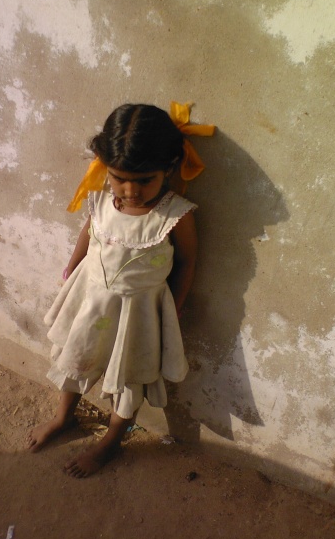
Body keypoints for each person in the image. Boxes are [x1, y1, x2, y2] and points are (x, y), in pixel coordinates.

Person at [27, 102, 213, 478]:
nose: (130, 191)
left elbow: (188, 261)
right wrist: (72, 265)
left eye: (144, 180)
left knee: (129, 376)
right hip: (91, 300)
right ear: (105, 168)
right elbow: (88, 231)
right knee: (77, 355)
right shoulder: (100, 199)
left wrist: (175, 306)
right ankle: (64, 417)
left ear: (169, 168)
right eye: (119, 178)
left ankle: (110, 441)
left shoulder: (175, 215)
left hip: (139, 312)